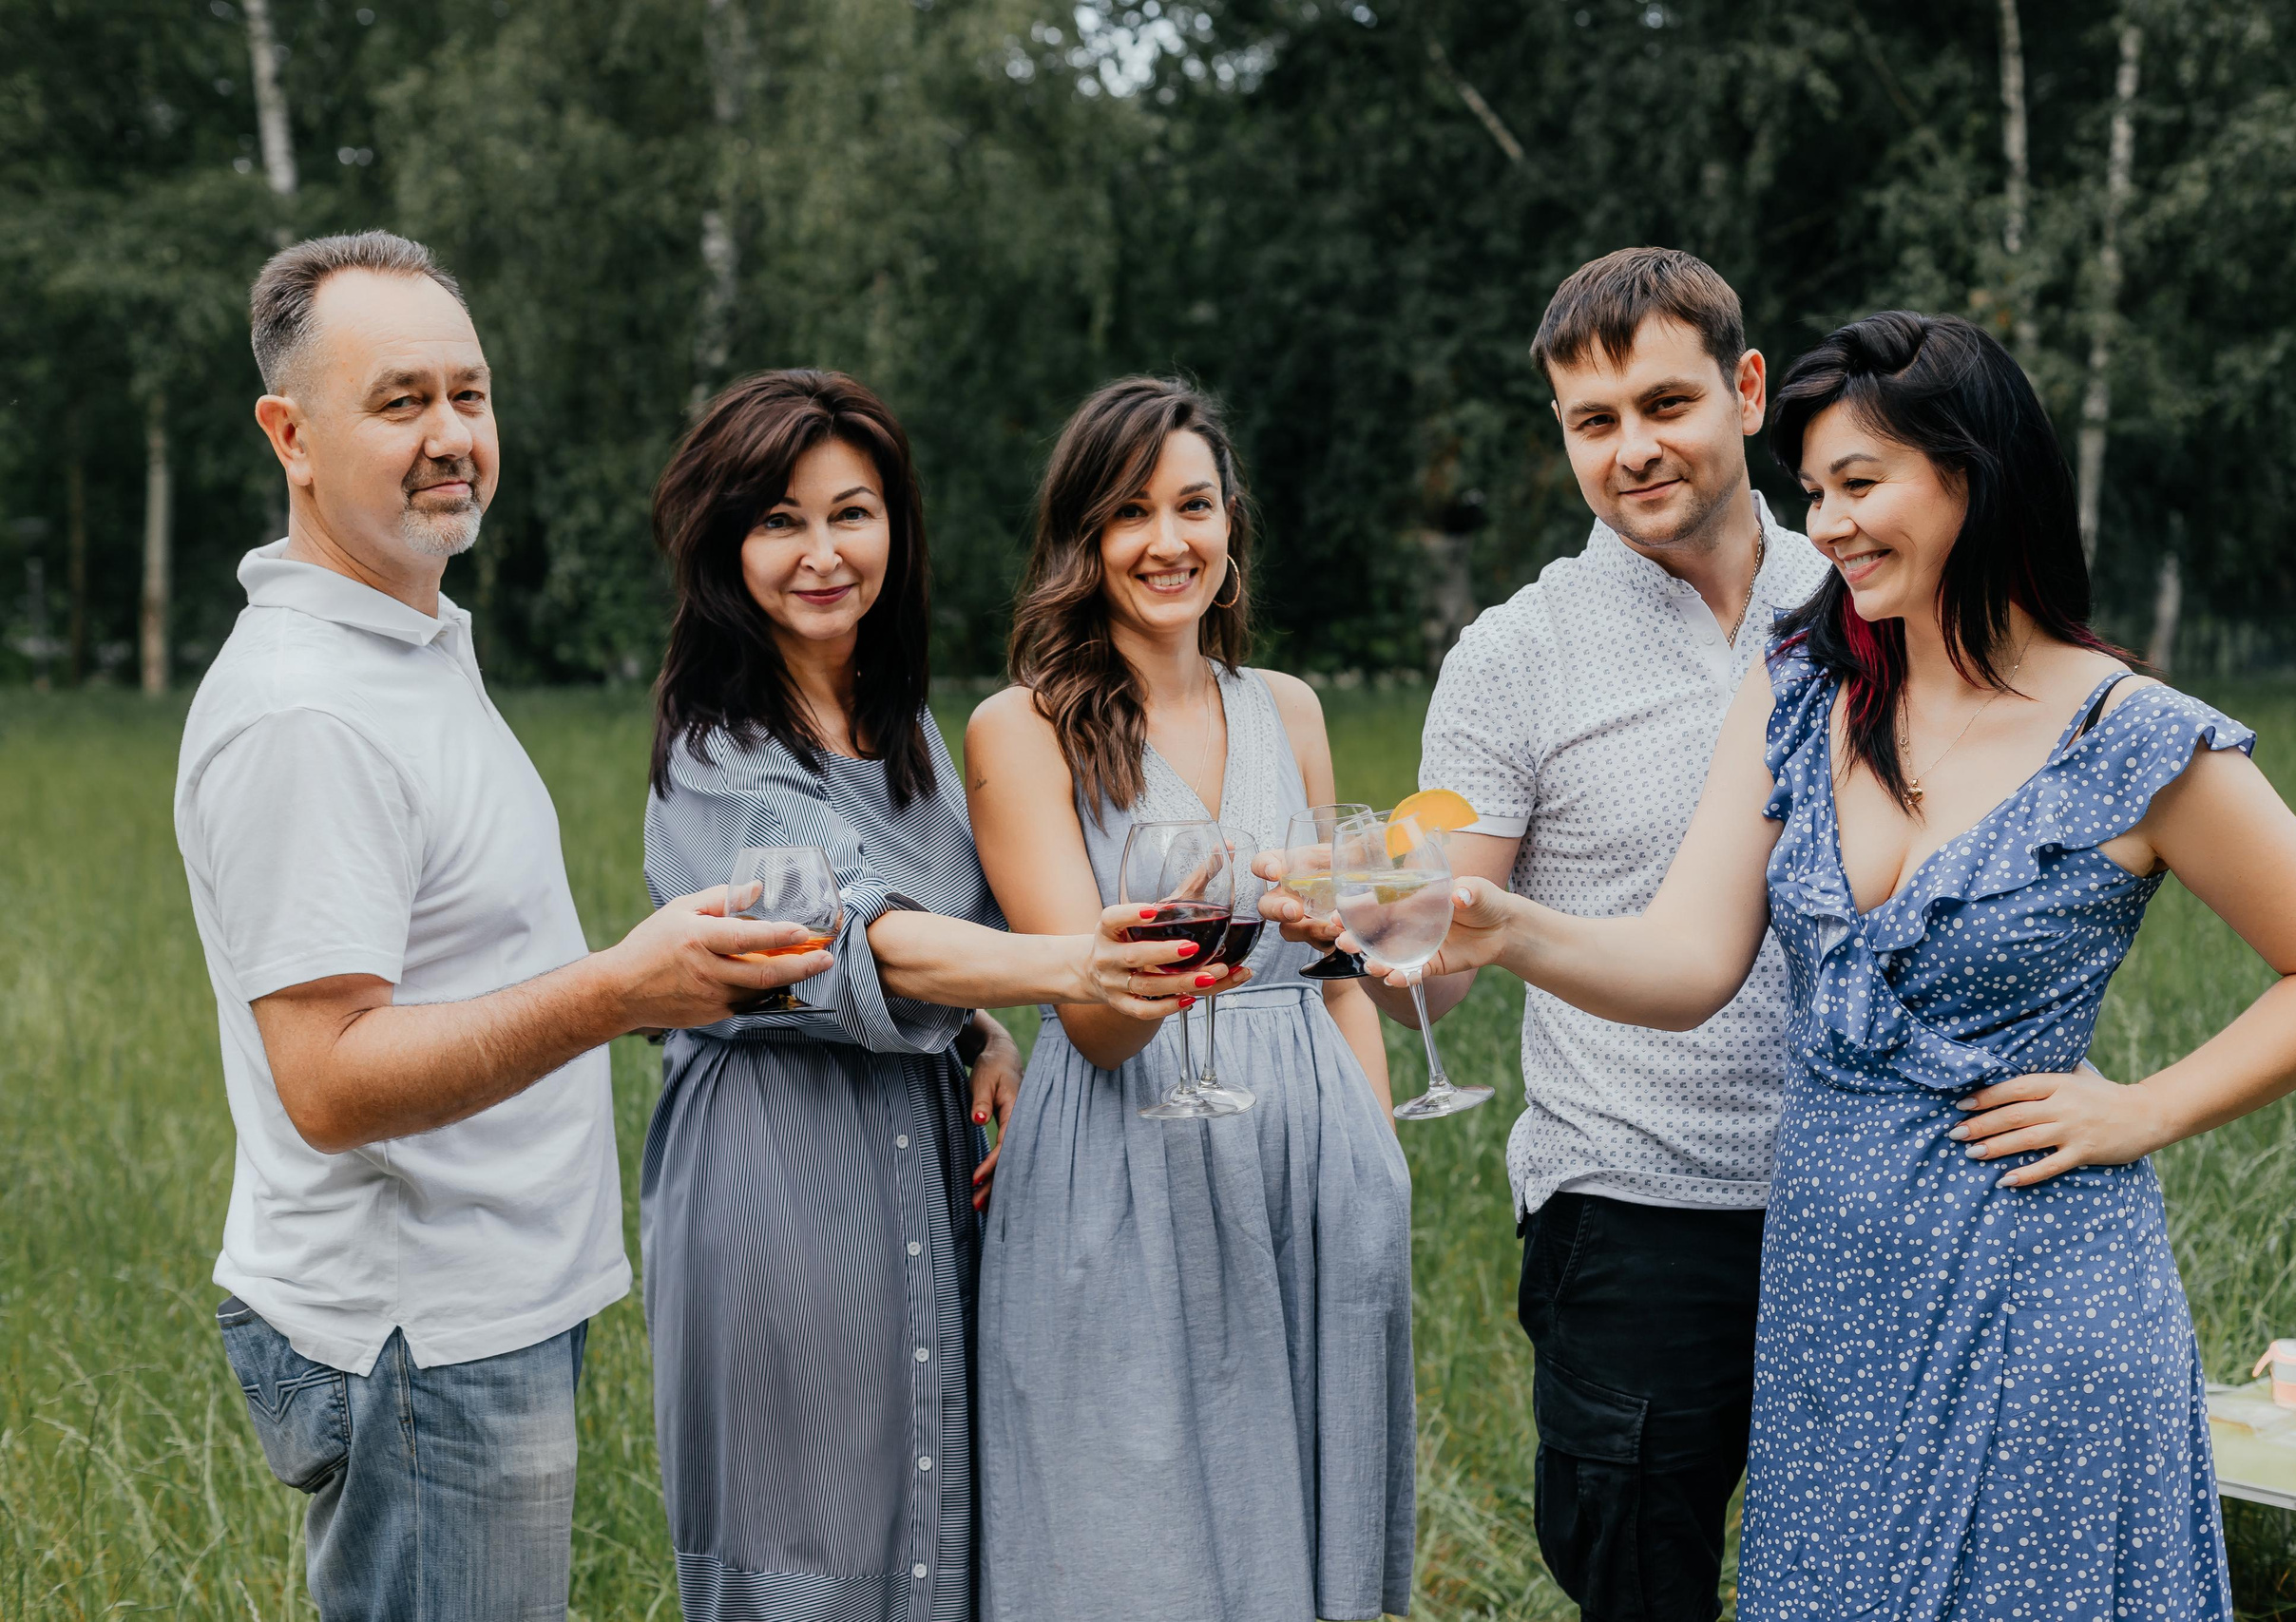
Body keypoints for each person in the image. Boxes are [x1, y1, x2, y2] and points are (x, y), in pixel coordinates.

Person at [1366, 311, 2296, 1617]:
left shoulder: (2132, 736)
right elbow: (1691, 962)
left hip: (2043, 1295)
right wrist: (1508, 926)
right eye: (1817, 492)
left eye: (1862, 485)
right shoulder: (1802, 687)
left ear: (1973, 477)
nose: (1834, 526)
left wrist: (2144, 1107)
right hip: (1836, 1306)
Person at [176, 232, 833, 1620]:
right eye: (400, 401)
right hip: (422, 1343)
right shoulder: (309, 709)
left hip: (478, 1320)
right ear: (289, 435)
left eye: (467, 395)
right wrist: (620, 992)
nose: (451, 437)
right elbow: (330, 1083)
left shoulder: (401, 642)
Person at [1268, 245, 1829, 1619]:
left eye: (1664, 404)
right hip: (1634, 1212)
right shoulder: (1517, 653)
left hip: (1859, 1194)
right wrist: (1363, 929)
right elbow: (1442, 955)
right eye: (1594, 422)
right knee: (1642, 1587)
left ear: (1747, 392)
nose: (1633, 449)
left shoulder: (1858, 591)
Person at [639, 369, 1212, 1619]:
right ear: (723, 543)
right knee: (812, 1550)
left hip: (931, 1172)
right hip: (781, 1192)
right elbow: (850, 935)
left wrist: (989, 1028)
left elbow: (940, 938)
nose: (823, 552)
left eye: (853, 512)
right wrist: (1072, 968)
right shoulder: (716, 753)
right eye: (779, 521)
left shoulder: (904, 736)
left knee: (933, 1533)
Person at [965, 377, 1415, 1621]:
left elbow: (1335, 972)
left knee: (1301, 1539)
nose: (1169, 541)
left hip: (1311, 1151)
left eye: (1195, 506)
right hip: (1127, 1150)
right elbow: (1093, 1018)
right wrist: (1166, 947)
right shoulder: (1022, 729)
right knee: (1126, 1540)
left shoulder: (1293, 709)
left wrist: (1375, 1161)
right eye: (1131, 512)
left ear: (1232, 525)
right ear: (1083, 539)